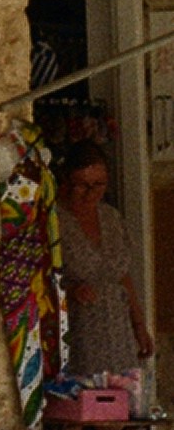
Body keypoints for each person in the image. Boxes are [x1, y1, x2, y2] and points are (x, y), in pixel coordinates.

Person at [53, 144, 154, 379]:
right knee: (89, 400)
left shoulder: (111, 217)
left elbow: (122, 275)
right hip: (80, 330)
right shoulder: (55, 221)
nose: (91, 193)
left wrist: (139, 326)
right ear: (66, 181)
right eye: (82, 185)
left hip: (119, 329)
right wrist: (70, 291)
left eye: (98, 184)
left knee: (124, 397)